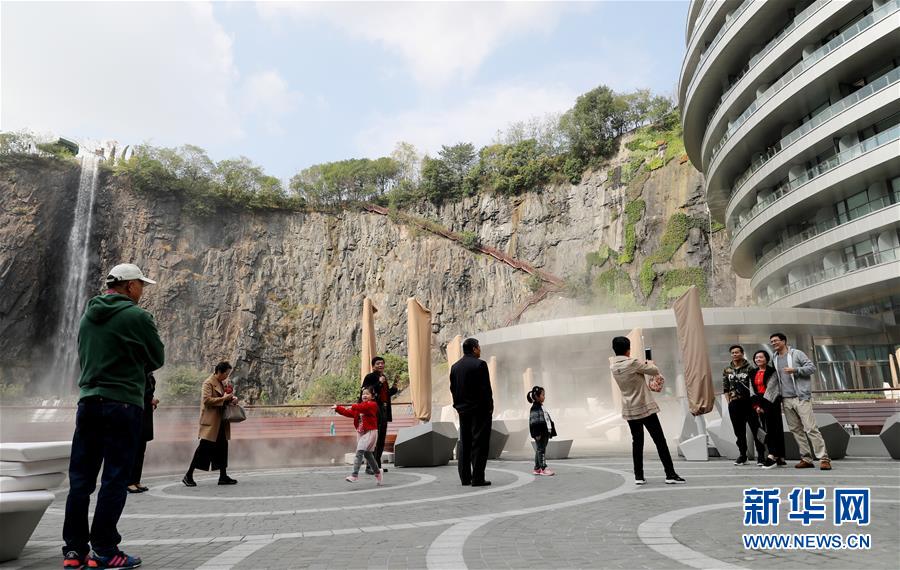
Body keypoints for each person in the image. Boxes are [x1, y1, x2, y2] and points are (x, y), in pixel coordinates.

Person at [63, 263, 165, 570]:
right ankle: (106, 550)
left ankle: (74, 551)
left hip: (88, 403)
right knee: (115, 478)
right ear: (130, 286)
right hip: (122, 404)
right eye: (141, 285)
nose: (142, 291)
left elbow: (84, 355)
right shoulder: (138, 316)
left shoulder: (86, 316)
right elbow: (157, 357)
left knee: (80, 480)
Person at [610, 336, 685, 485]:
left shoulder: (613, 367)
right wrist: (649, 363)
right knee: (660, 441)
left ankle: (639, 476)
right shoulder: (632, 363)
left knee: (637, 443)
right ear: (628, 349)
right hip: (645, 407)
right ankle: (670, 474)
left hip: (629, 409)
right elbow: (654, 370)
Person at [768, 333, 831, 470]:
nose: (773, 343)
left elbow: (812, 368)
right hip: (785, 399)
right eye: (771, 342)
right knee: (796, 430)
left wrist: (796, 370)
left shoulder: (797, 354)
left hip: (801, 397)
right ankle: (806, 459)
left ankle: (824, 458)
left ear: (784, 341)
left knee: (811, 428)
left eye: (776, 341)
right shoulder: (774, 357)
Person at [182, 362, 240, 487]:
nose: (227, 376)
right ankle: (188, 475)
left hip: (220, 422)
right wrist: (224, 398)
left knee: (222, 448)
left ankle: (223, 476)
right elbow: (206, 400)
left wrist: (232, 399)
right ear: (219, 371)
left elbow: (223, 398)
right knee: (203, 449)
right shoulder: (208, 383)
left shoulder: (222, 383)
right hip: (211, 423)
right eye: (226, 373)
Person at [449, 337, 494, 487]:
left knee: (465, 442)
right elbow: (486, 389)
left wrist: (458, 406)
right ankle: (478, 478)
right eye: (479, 347)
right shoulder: (480, 364)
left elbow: (453, 389)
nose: (480, 350)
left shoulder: (455, 367)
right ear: (474, 349)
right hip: (479, 411)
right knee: (480, 443)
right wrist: (490, 407)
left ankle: (465, 477)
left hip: (463, 411)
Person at [722, 345, 765, 466]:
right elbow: (725, 387)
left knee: (756, 429)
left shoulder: (750, 368)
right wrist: (729, 401)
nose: (734, 354)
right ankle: (743, 455)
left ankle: (761, 456)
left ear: (742, 353)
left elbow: (755, 386)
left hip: (749, 404)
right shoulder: (727, 370)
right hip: (734, 404)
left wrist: (757, 403)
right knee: (739, 432)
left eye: (737, 352)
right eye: (732, 353)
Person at [333, 386, 383, 485]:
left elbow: (363, 408)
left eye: (367, 394)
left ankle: (354, 475)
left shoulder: (372, 405)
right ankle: (378, 473)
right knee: (368, 455)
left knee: (359, 451)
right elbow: (348, 412)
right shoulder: (359, 407)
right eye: (363, 394)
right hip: (361, 433)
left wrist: (354, 406)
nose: (364, 395)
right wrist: (338, 408)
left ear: (372, 396)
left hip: (370, 432)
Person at [747, 350, 786, 469]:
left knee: (774, 429)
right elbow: (751, 390)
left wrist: (763, 406)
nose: (758, 359)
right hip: (758, 404)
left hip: (771, 403)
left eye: (761, 357)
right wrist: (757, 406)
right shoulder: (752, 372)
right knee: (765, 429)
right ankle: (775, 455)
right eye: (756, 357)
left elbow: (771, 390)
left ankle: (773, 456)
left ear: (766, 359)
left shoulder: (772, 371)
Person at [360, 356, 398, 473]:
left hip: (383, 410)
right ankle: (369, 467)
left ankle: (377, 466)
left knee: (381, 439)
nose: (381, 365)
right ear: (373, 366)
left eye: (382, 363)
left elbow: (385, 395)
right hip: (374, 410)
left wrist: (394, 388)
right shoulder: (370, 377)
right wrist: (379, 382)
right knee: (373, 439)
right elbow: (366, 392)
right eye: (378, 363)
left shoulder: (383, 377)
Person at [127, 373, 159, 493]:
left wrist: (151, 401)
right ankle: (129, 481)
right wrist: (150, 400)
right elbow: (135, 392)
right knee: (134, 449)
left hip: (145, 413)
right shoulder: (138, 372)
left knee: (141, 449)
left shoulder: (149, 374)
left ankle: (136, 480)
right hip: (137, 411)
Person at [527, 386, 556, 476]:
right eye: (542, 395)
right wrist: (537, 433)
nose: (544, 397)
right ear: (537, 396)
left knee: (540, 449)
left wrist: (550, 430)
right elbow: (534, 422)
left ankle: (537, 468)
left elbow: (546, 419)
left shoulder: (540, 406)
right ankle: (543, 468)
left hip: (544, 432)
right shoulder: (535, 408)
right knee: (541, 450)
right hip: (540, 433)